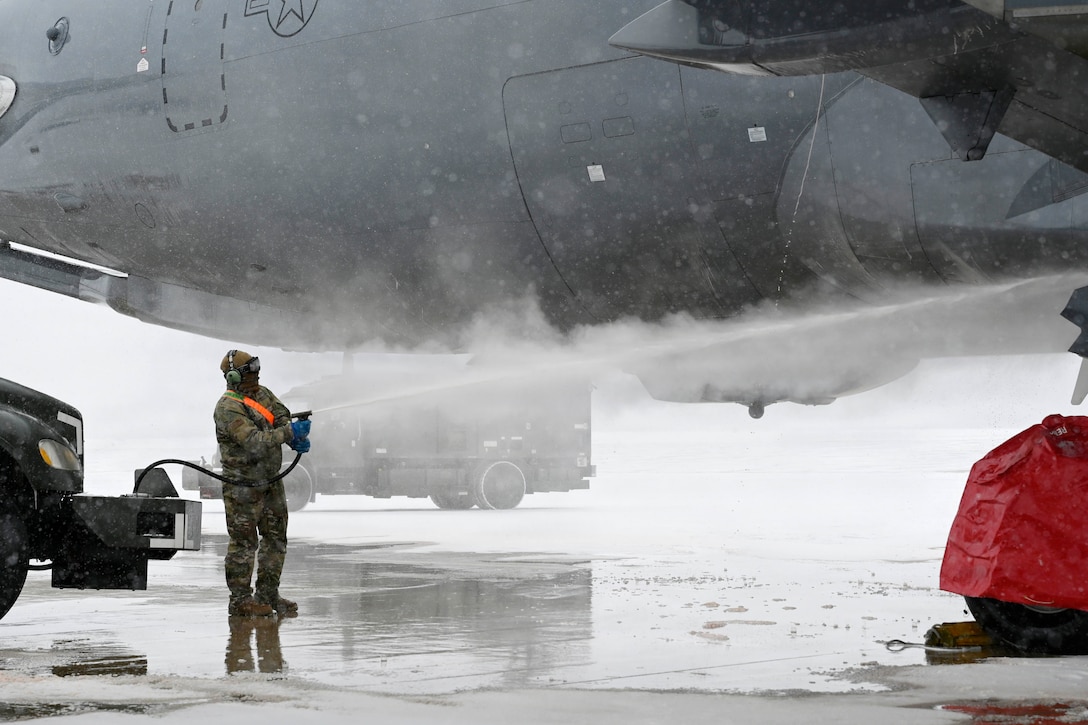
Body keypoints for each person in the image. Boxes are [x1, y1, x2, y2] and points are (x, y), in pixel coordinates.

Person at [214, 349, 311, 617]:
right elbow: (254, 441)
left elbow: (280, 414)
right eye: (251, 370)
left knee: (276, 539)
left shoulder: (263, 394)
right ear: (235, 376)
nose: (257, 373)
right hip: (243, 487)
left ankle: (268, 595)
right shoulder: (227, 407)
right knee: (244, 544)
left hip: (269, 481)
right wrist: (288, 433)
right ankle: (241, 601)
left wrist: (292, 435)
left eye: (257, 367)